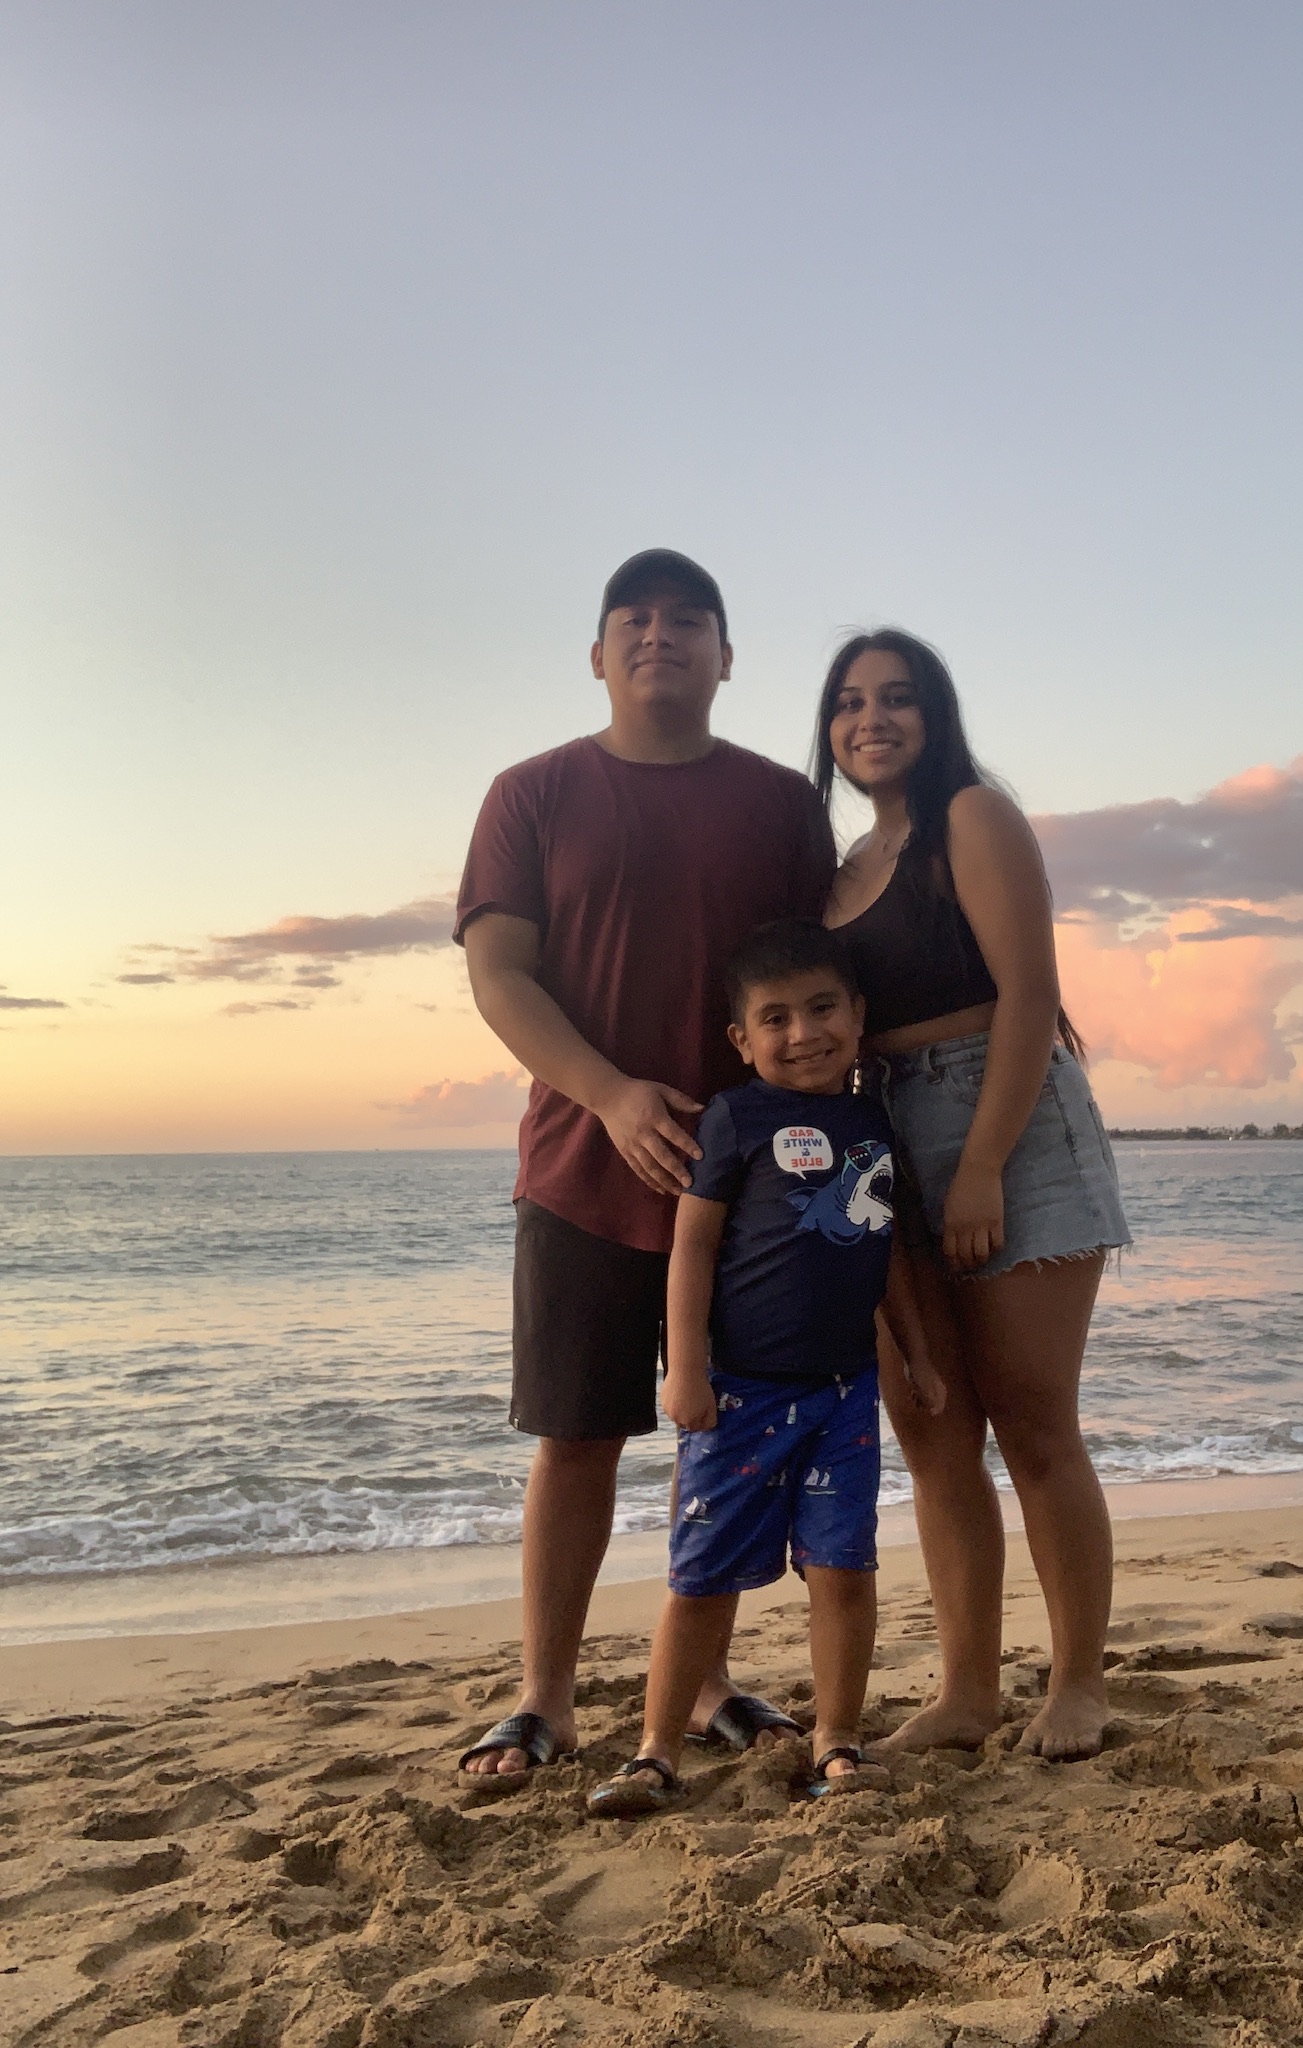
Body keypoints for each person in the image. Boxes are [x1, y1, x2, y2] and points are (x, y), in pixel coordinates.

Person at [454, 550, 836, 1785]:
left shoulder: (782, 804)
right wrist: (612, 1093)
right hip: (578, 1162)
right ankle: (546, 1697)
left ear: (726, 657)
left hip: (753, 1190)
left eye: (688, 621)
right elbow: (499, 974)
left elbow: (815, 989)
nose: (659, 636)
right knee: (576, 1436)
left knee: (717, 1438)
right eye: (635, 619)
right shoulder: (532, 792)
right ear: (600, 652)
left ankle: (707, 1680)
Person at [819, 629, 1131, 1763]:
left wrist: (985, 1163)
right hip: (885, 1134)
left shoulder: (972, 816)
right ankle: (965, 1692)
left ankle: (1081, 1683)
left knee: (1033, 1415)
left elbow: (1031, 994)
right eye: (851, 702)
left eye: (898, 697)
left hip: (1007, 1116)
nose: (873, 718)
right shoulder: (845, 864)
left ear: (934, 713)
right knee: (934, 1424)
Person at [586, 920, 945, 1817]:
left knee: (844, 1570)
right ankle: (656, 1752)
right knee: (702, 1578)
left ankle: (838, 1740)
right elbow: (693, 1248)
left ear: (858, 1017)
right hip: (741, 1395)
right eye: (774, 1019)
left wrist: (920, 1354)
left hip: (843, 1396)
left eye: (823, 1009)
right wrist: (686, 1369)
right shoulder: (735, 1117)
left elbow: (886, 1249)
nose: (803, 1034)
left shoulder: (871, 1120)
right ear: (743, 1041)